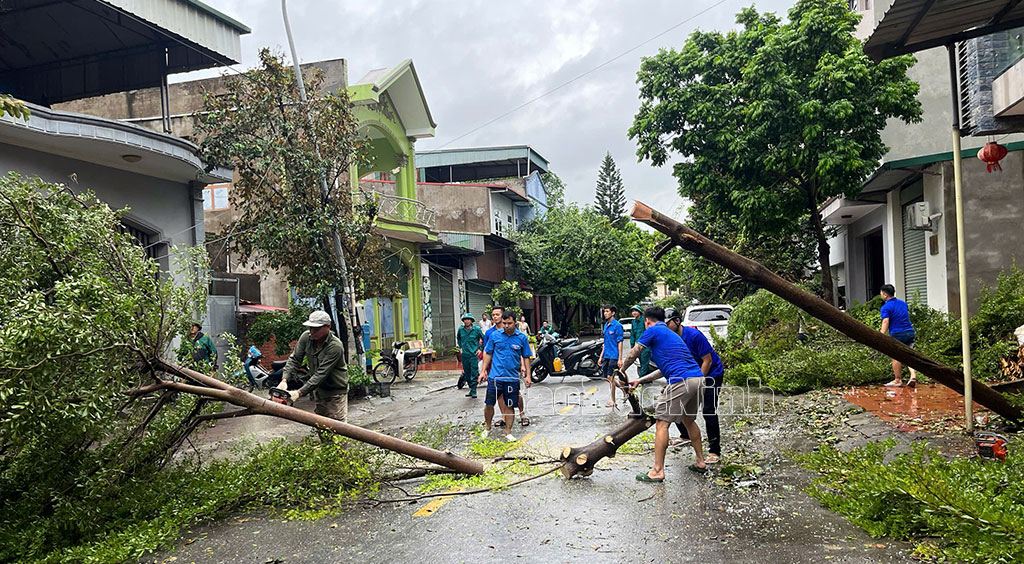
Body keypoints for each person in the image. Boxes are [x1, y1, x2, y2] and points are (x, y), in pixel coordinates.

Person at [618, 306, 708, 480]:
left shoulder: (652, 330)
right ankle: (700, 461)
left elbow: (633, 353)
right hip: (697, 378)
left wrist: (621, 371)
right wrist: (640, 380)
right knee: (688, 420)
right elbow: (662, 370)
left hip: (681, 380)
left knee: (662, 424)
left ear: (647, 321)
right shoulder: (671, 335)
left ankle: (657, 471)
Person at [666, 308, 724, 463]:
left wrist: (698, 382)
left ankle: (714, 451)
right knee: (677, 405)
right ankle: (685, 435)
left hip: (712, 374)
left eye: (668, 323)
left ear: (677, 321)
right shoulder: (671, 340)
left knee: (708, 411)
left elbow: (708, 361)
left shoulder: (694, 336)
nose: (665, 327)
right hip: (689, 375)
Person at [277, 310, 349, 423]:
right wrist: (284, 379)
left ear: (327, 327)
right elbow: (295, 359)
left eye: (316, 329)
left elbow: (321, 374)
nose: (312, 331)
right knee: (321, 425)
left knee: (337, 429)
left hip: (335, 393)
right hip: (318, 392)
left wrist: (299, 393)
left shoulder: (335, 346)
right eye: (310, 328)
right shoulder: (306, 337)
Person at [480, 311, 533, 441]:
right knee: (489, 404)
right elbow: (488, 353)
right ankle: (487, 427)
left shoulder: (521, 338)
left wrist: (528, 376)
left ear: (515, 322)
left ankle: (508, 432)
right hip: (495, 377)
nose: (506, 326)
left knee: (509, 405)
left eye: (509, 323)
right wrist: (483, 371)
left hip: (512, 378)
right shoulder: (495, 336)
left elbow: (526, 357)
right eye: (504, 323)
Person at [880, 284, 918, 387]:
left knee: (895, 356)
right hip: (909, 332)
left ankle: (897, 380)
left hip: (898, 334)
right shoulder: (903, 303)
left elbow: (886, 321)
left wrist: (881, 335)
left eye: (881, 293)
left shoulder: (886, 307)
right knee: (909, 355)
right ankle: (913, 375)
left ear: (885, 294)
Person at [600, 305, 624, 408]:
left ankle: (613, 401)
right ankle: (625, 390)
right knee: (608, 378)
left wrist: (619, 358)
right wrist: (601, 356)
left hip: (614, 356)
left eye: (607, 311)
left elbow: (620, 342)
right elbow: (605, 342)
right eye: (604, 311)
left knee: (611, 377)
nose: (605, 313)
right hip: (606, 355)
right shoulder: (606, 325)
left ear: (613, 313)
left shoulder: (617, 326)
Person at [457, 313, 485, 398]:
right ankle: (470, 387)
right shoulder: (461, 330)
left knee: (474, 372)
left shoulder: (476, 330)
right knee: (467, 373)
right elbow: (458, 338)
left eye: (468, 319)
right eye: (465, 319)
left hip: (473, 355)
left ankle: (473, 390)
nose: (467, 321)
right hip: (465, 355)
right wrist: (460, 347)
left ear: (471, 321)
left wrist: (480, 349)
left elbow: (484, 339)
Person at [629, 305, 652, 378]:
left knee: (644, 362)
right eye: (633, 311)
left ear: (639, 312)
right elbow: (632, 334)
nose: (634, 312)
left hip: (645, 346)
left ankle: (641, 378)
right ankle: (647, 378)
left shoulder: (644, 321)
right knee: (641, 363)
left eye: (636, 311)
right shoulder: (633, 322)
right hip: (637, 345)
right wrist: (632, 346)